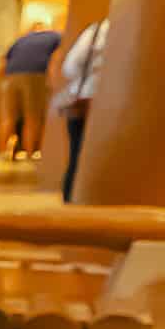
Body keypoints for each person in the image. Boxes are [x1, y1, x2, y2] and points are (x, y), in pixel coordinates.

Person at [52, 19, 107, 202]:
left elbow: (70, 66)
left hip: (85, 99)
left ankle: (71, 201)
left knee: (77, 154)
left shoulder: (97, 31)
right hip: (114, 105)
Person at [0, 22, 60, 159]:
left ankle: (1, 154)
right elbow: (59, 57)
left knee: (7, 118)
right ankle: (30, 155)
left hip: (11, 76)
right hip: (34, 74)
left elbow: (3, 62)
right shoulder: (55, 36)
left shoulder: (20, 40)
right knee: (32, 117)